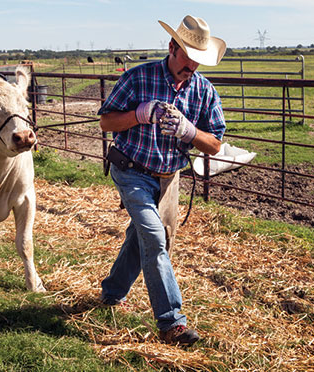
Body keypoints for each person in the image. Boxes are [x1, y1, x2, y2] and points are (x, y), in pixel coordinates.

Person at [97, 15, 227, 346]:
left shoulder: (203, 91)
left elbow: (214, 143)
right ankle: (172, 323)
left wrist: (189, 131)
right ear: (171, 47)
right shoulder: (138, 77)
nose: (192, 66)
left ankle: (112, 293)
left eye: (199, 60)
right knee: (155, 238)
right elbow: (106, 122)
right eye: (187, 57)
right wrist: (140, 114)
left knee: (143, 237)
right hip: (131, 170)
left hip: (169, 178)